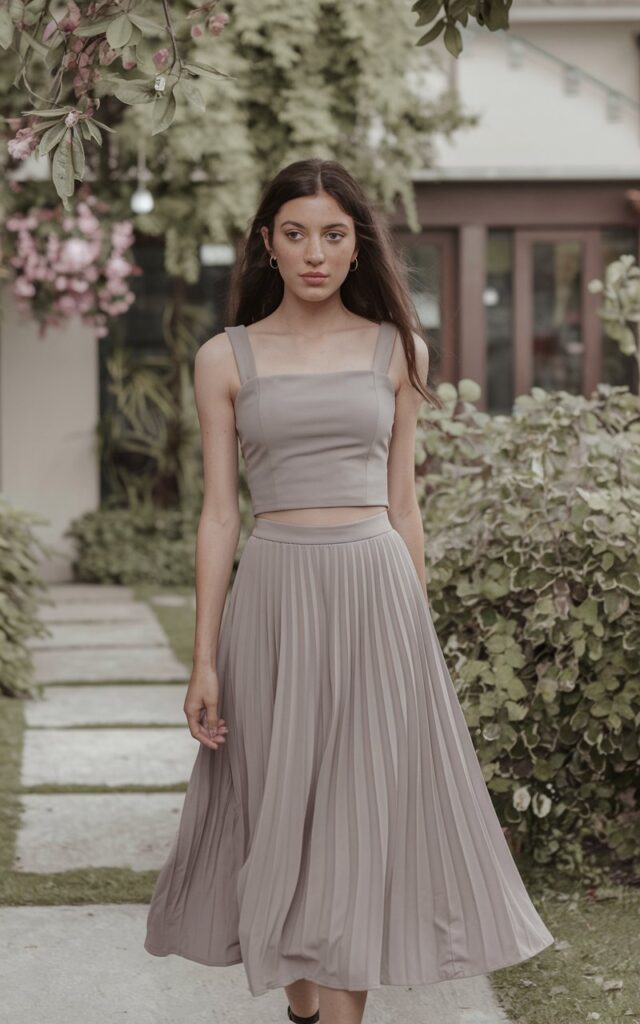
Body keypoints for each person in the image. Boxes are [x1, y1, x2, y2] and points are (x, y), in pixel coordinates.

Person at [144, 157, 554, 1024]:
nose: (315, 253)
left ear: (356, 243)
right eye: (296, 233)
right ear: (268, 244)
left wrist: (418, 630)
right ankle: (303, 1010)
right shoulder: (224, 358)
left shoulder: (398, 348)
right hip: (276, 601)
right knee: (277, 814)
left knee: (358, 818)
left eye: (333, 234)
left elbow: (405, 503)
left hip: (377, 598)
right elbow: (219, 516)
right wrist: (203, 659)